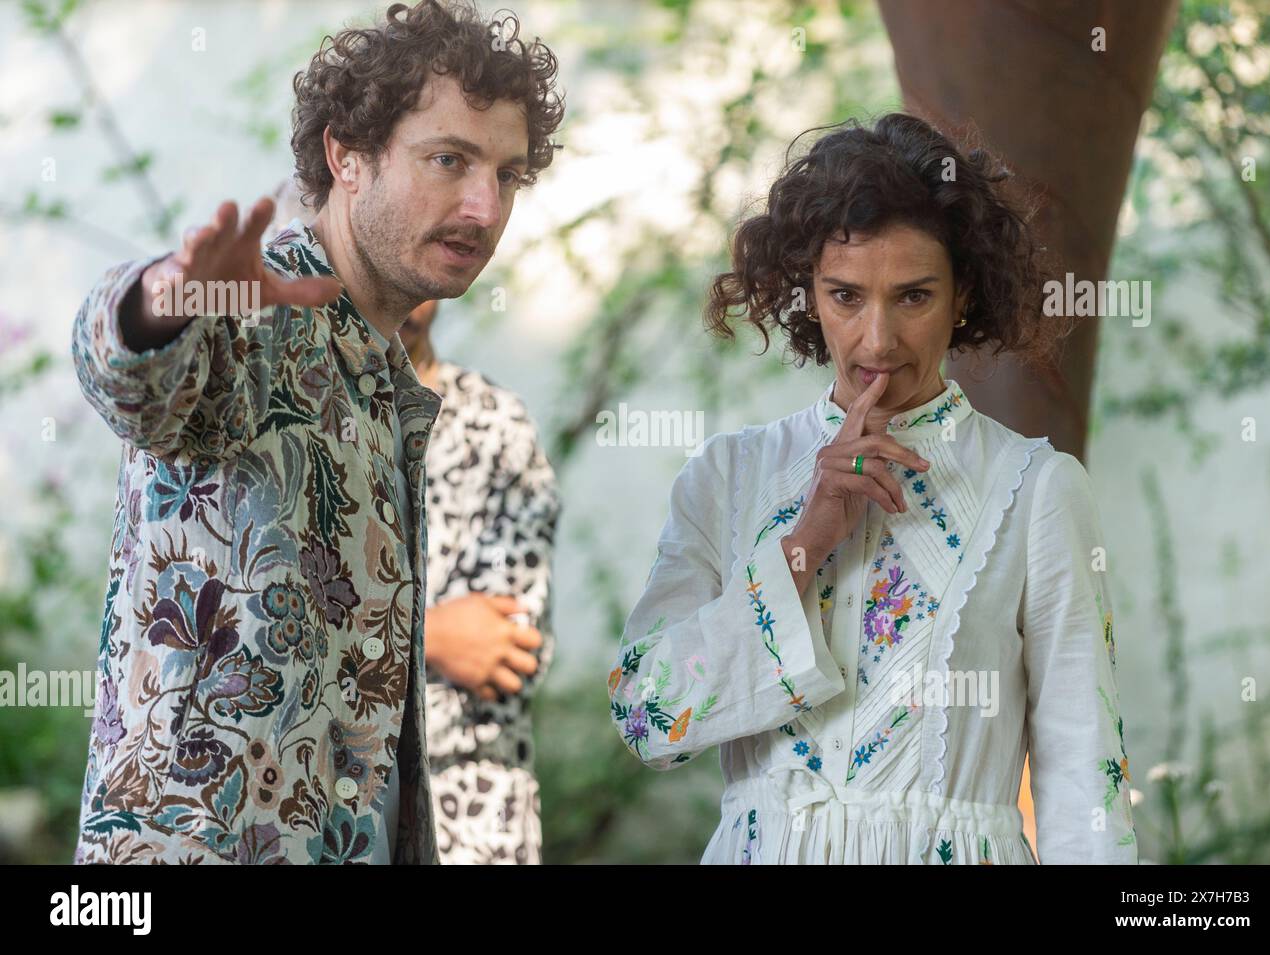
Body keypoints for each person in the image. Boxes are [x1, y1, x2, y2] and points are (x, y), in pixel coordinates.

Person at [71, 0, 564, 864]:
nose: (484, 207)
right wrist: (169, 296)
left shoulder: (388, 371)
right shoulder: (259, 304)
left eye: (508, 175)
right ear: (346, 156)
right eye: (448, 160)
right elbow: (129, 372)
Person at [607, 113, 1137, 864]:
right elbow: (646, 716)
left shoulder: (1037, 490)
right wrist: (804, 542)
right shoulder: (729, 477)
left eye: (914, 297)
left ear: (963, 297)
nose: (877, 340)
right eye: (846, 296)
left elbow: (1087, 773)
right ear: (809, 295)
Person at [399, 301, 560, 864]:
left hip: (473, 819)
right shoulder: (302, 413)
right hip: (321, 814)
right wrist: (432, 639)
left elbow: (507, 656)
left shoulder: (495, 425)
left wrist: (353, 655)